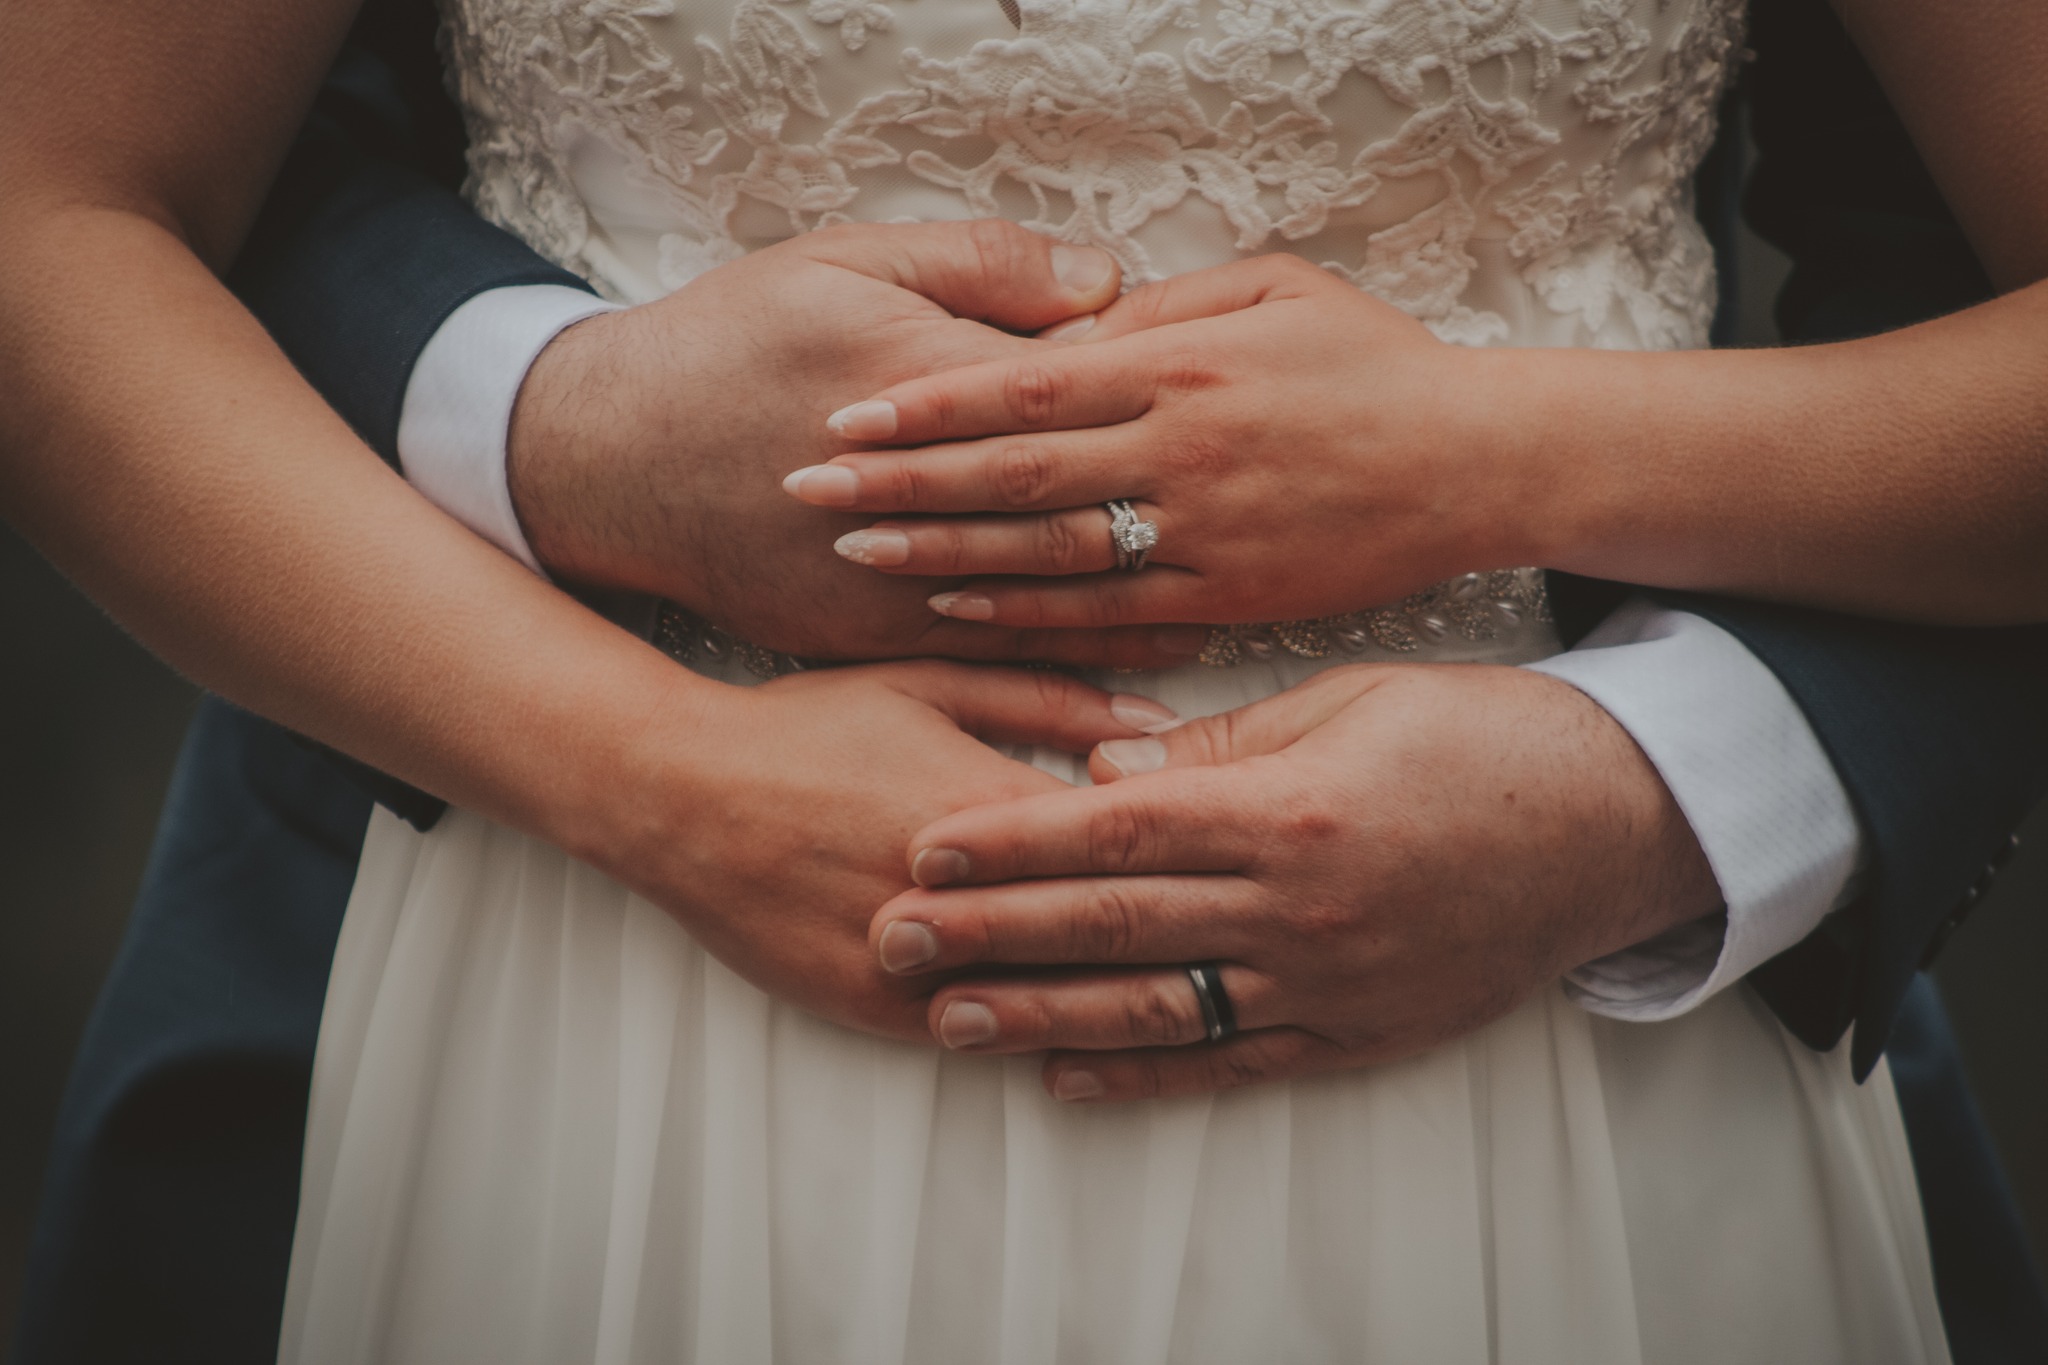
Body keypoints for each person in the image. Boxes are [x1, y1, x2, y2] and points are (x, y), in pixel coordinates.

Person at [1, 0, 2040, 1362]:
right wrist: (655, 755)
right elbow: (67, 200)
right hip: (607, 980)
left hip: (1565, 1044)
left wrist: (1532, 561)